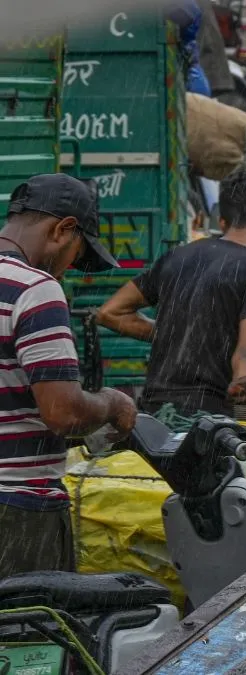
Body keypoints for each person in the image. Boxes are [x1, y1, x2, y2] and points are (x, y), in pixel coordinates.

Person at [0, 174, 136, 577]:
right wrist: (111, 403)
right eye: (75, 255)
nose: (67, 271)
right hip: (17, 512)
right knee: (26, 634)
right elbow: (63, 413)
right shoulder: (34, 288)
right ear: (63, 229)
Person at [97, 170, 246, 421]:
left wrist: (176, 334)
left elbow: (109, 312)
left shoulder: (177, 257)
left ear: (222, 221)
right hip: (208, 418)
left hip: (155, 414)